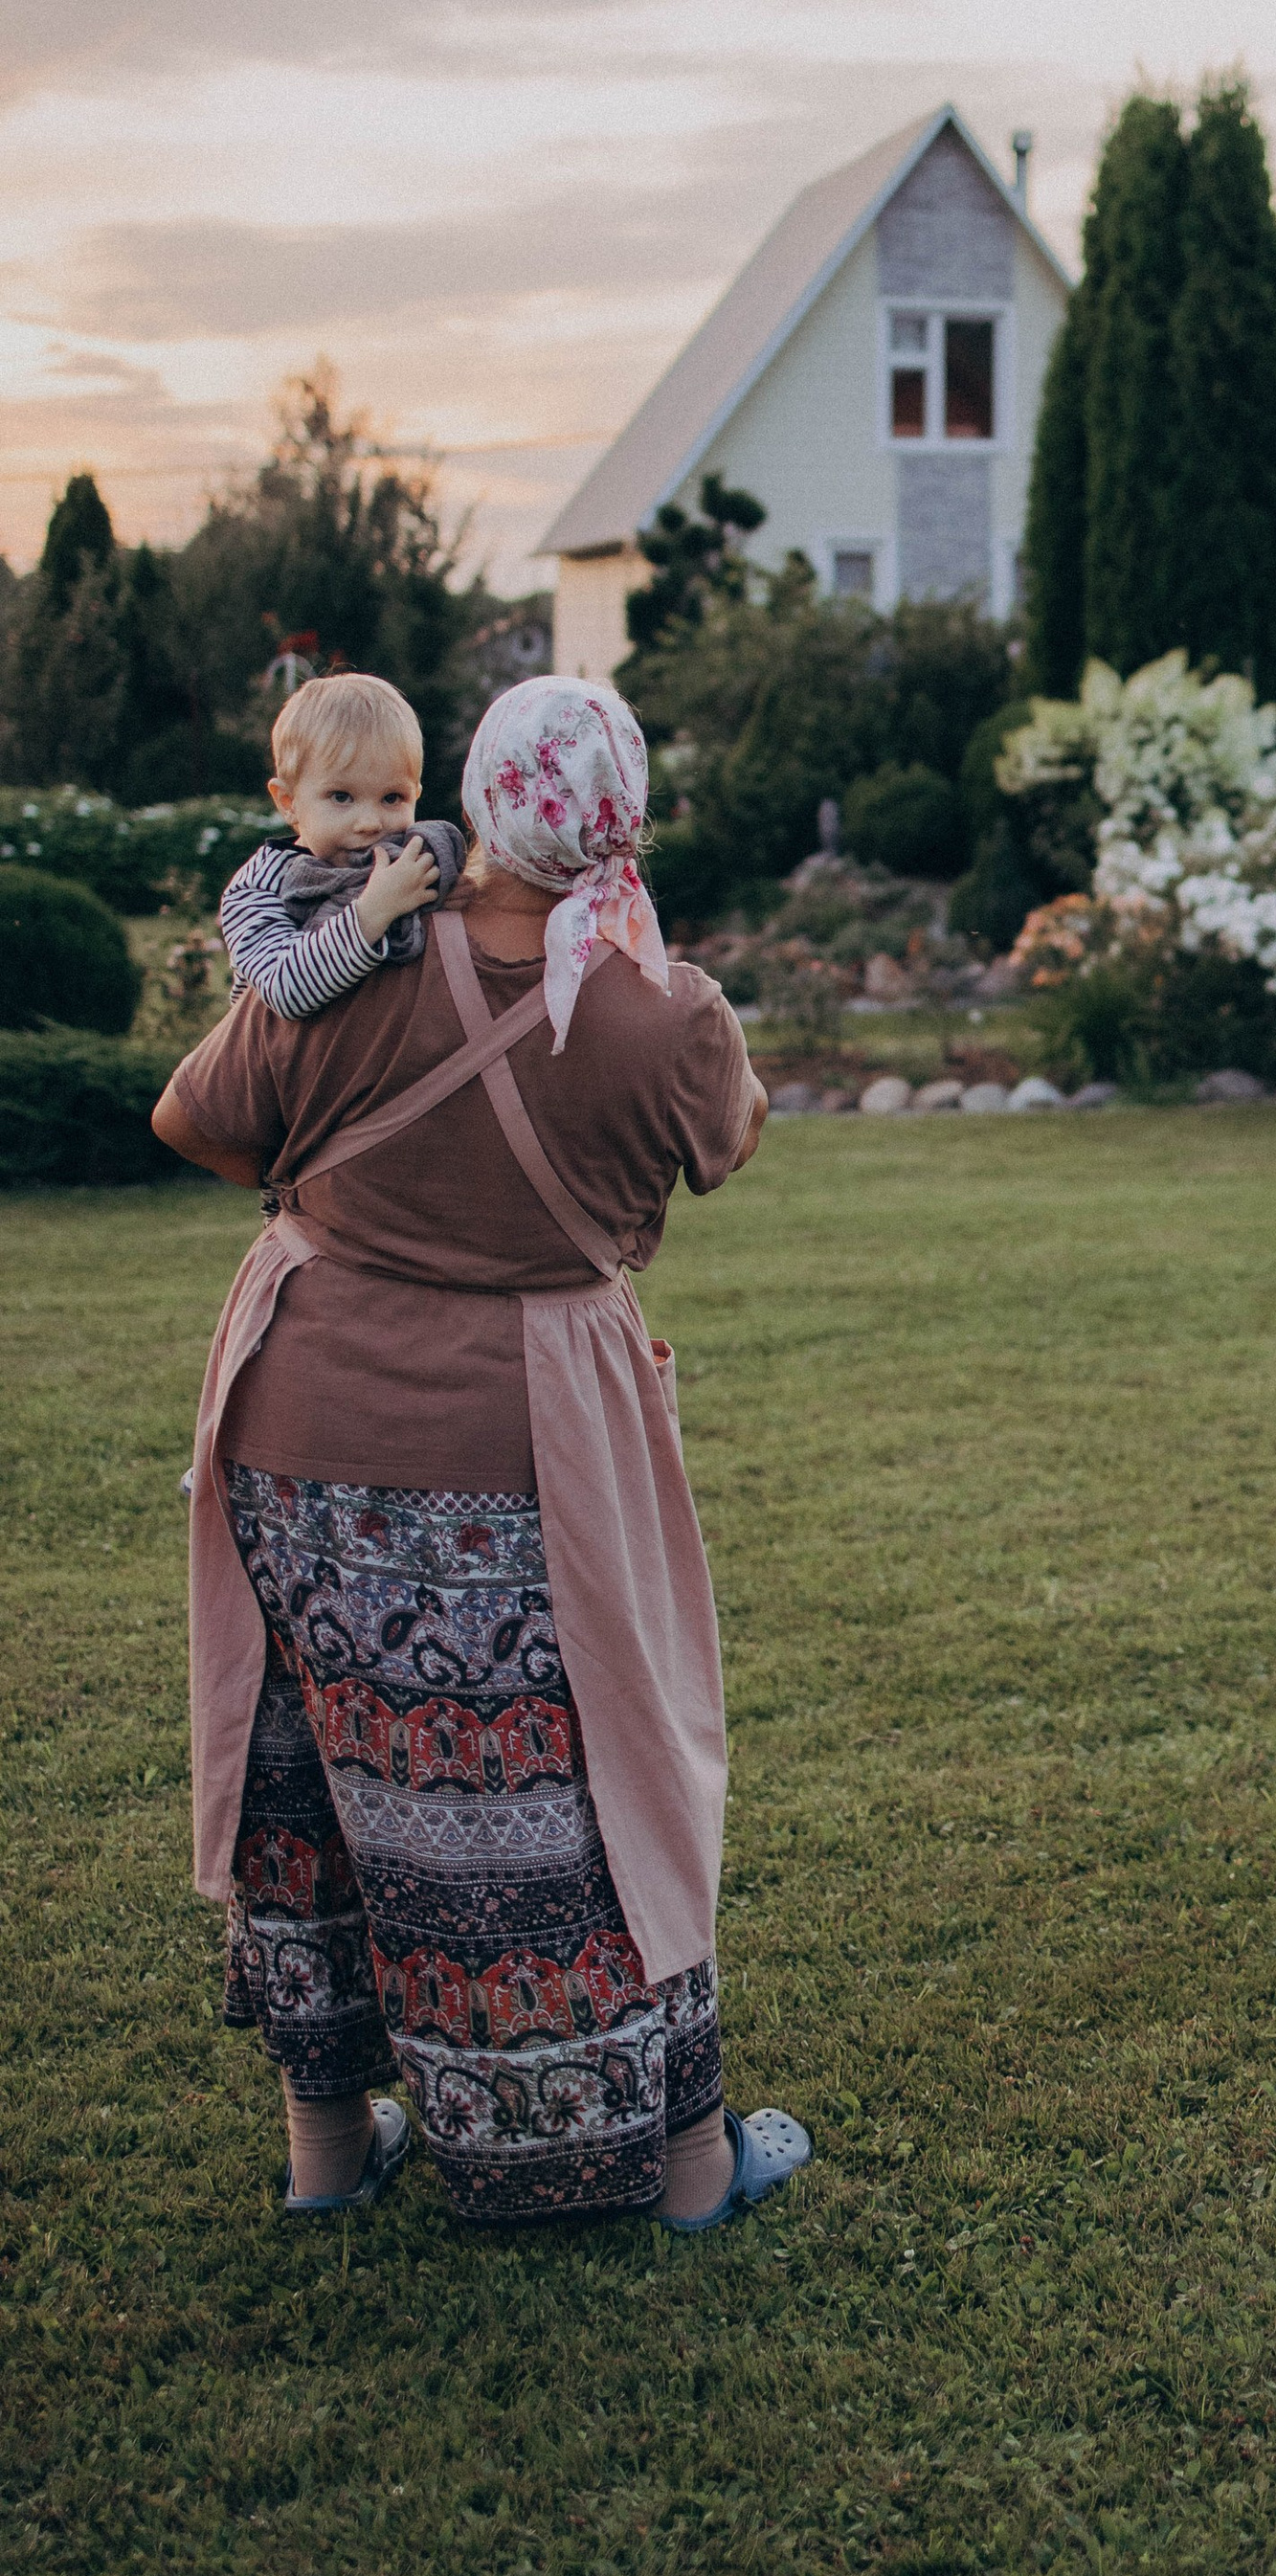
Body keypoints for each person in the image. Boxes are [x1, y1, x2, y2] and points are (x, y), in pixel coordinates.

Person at [155, 675, 808, 2229]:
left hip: (301, 1421)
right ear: (621, 817)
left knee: (309, 1782)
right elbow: (732, 1138)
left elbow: (196, 1120)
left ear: (475, 797)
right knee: (598, 1774)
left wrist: (334, 1196)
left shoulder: (350, 957)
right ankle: (688, 2165)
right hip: (533, 1444)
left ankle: (330, 2153)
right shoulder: (661, 1009)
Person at [218, 670, 466, 1020]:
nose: (370, 823)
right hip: (281, 1068)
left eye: (392, 797)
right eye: (341, 797)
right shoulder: (258, 887)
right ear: (288, 800)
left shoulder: (408, 863)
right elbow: (284, 989)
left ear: (416, 796)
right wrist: (373, 912)